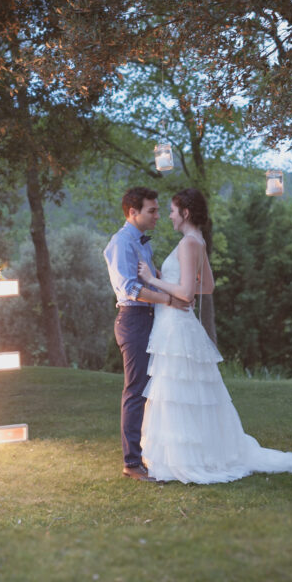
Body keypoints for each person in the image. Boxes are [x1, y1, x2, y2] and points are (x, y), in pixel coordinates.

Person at [135, 188, 292, 484]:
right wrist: (172, 284)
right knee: (186, 393)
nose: (169, 215)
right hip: (175, 323)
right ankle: (190, 451)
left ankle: (186, 458)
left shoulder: (189, 243)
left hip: (176, 327)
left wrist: (153, 279)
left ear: (185, 213)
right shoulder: (197, 242)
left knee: (179, 393)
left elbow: (190, 292)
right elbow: (208, 287)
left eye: (172, 210)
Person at [103, 187, 186, 482]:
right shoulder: (120, 243)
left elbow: (151, 280)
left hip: (151, 319)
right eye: (152, 210)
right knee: (136, 391)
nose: (158, 215)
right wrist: (168, 299)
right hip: (134, 321)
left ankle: (153, 453)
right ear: (132, 212)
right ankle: (132, 463)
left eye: (158, 209)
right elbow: (129, 288)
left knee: (155, 390)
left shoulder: (141, 243)